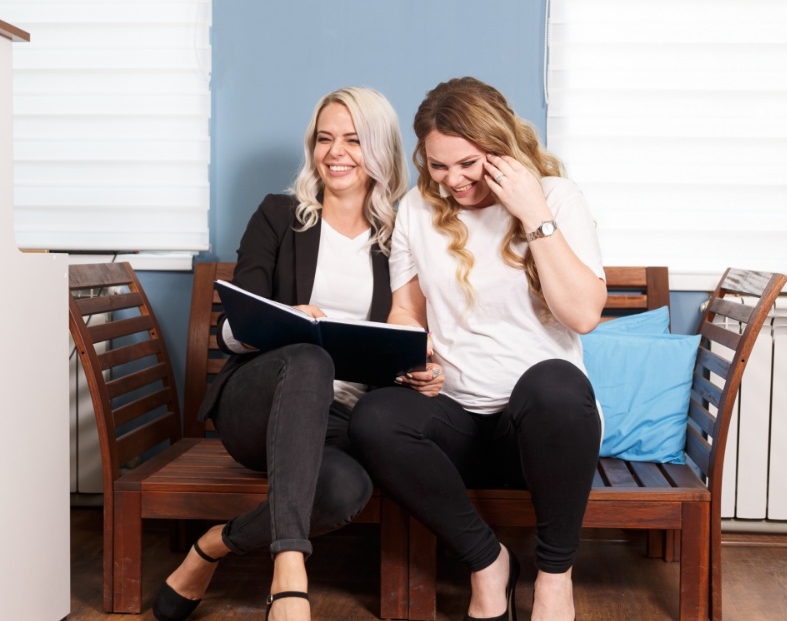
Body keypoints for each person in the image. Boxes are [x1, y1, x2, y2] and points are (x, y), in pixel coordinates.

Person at [349, 76, 606, 621]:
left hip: (541, 430)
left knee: (555, 381)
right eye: (438, 166)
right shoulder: (417, 209)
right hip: (458, 425)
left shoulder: (555, 197)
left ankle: (555, 579)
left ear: (500, 148)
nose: (453, 181)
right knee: (374, 417)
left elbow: (582, 315)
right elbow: (407, 313)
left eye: (467, 164)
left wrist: (534, 213)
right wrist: (414, 360)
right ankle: (487, 562)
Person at [152, 86, 413, 621]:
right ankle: (289, 573)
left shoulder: (402, 233)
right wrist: (288, 319)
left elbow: (409, 329)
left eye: (353, 140)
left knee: (344, 490)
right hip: (258, 407)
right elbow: (231, 329)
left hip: (342, 417)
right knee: (310, 359)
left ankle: (211, 548)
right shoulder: (278, 215)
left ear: (381, 149)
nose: (335, 152)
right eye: (324, 138)